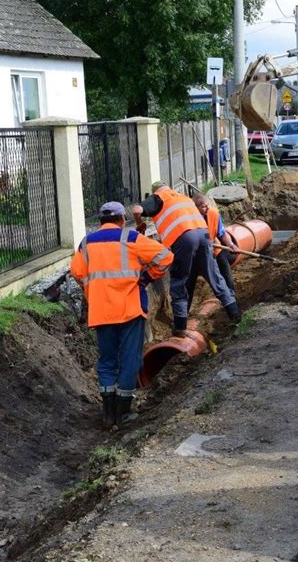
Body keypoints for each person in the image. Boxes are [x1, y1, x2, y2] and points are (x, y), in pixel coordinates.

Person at [70, 201, 173, 428]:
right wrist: (146, 279)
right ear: (121, 220)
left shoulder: (86, 244)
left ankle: (108, 414)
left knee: (107, 361)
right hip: (129, 309)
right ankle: (123, 413)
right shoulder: (131, 239)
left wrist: (92, 292)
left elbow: (77, 273)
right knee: (130, 360)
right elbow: (165, 256)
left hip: (101, 312)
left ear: (100, 221)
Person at [131, 182, 240, 337]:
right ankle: (234, 313)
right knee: (214, 276)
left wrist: (140, 223)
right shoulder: (182, 197)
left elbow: (136, 210)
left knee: (179, 281)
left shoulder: (158, 197)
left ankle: (180, 327)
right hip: (203, 235)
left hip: (184, 238)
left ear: (156, 191)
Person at [189, 193, 237, 307]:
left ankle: (234, 306)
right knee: (189, 285)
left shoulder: (213, 214)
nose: (207, 208)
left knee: (227, 277)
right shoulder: (189, 219)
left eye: (207, 205)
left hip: (215, 248)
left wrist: (230, 243)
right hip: (196, 255)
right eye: (203, 207)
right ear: (195, 208)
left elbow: (222, 232)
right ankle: (183, 316)